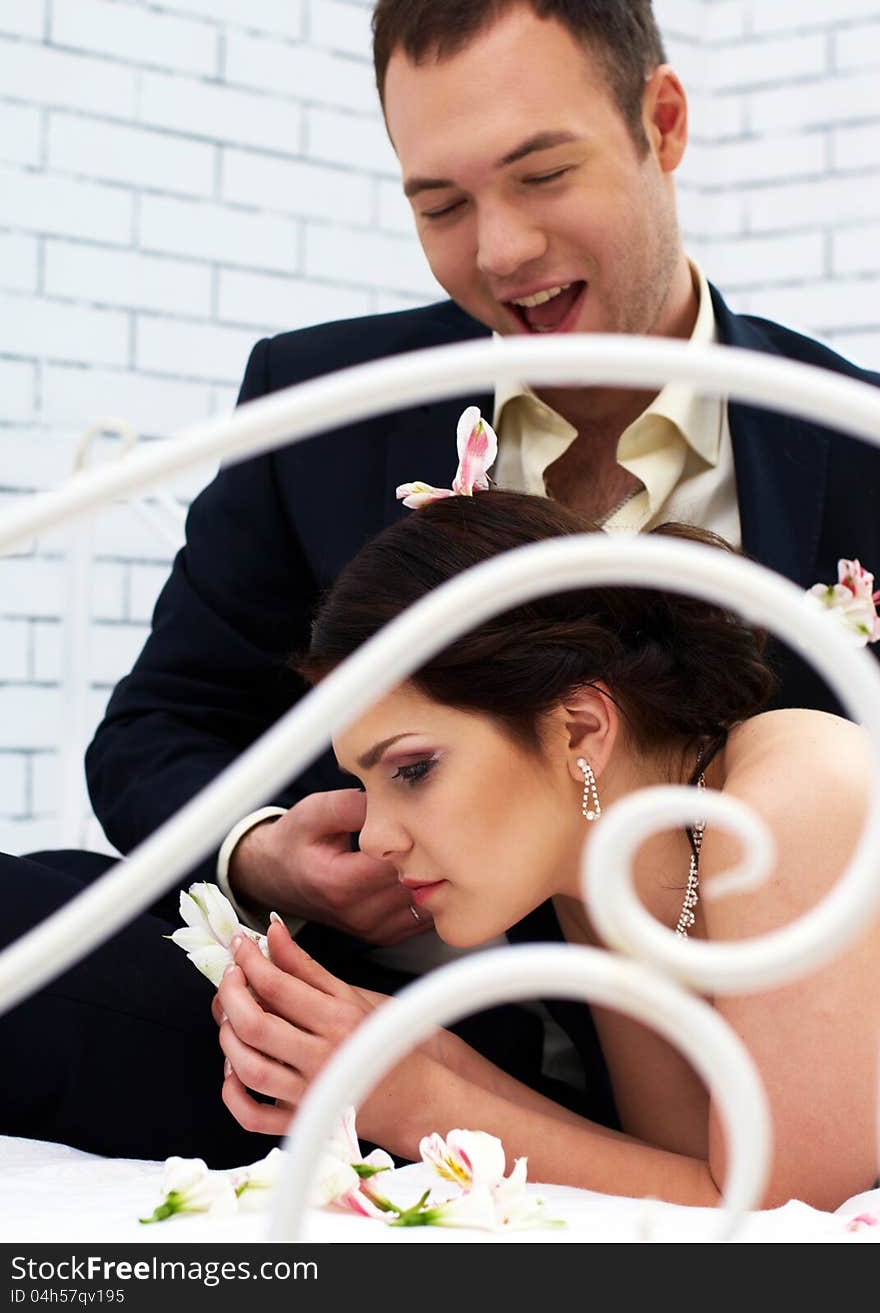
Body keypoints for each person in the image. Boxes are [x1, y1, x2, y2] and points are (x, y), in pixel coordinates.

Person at [2, 0, 880, 1160]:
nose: (500, 250)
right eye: (441, 203)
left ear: (661, 122)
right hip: (385, 989)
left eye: (541, 174)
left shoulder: (857, 442)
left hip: (756, 1057)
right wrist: (273, 855)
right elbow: (155, 729)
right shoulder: (321, 399)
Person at [213, 488, 879, 1211]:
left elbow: (786, 1224)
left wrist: (417, 1104)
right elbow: (688, 1175)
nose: (374, 836)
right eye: (367, 784)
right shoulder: (604, 878)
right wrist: (413, 1058)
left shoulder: (799, 802)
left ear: (580, 727)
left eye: (412, 768)